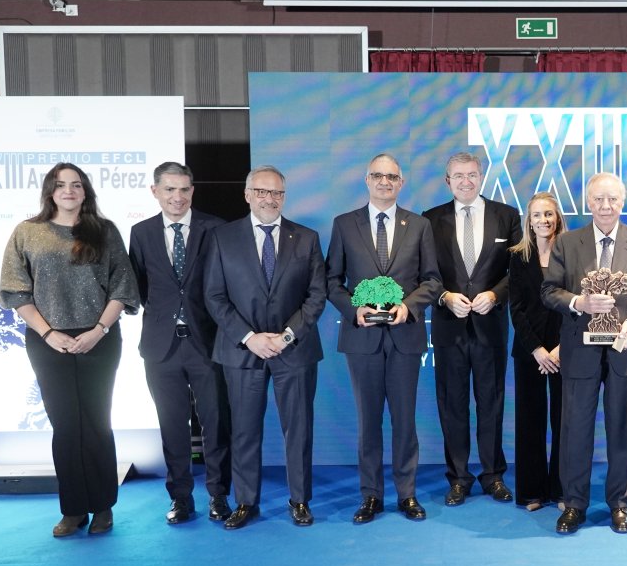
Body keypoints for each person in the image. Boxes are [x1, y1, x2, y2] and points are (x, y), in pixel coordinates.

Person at [0, 162, 139, 537]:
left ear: (85, 191)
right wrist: (48, 334)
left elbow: (123, 287)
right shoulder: (27, 232)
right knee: (66, 426)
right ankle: (73, 510)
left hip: (100, 338)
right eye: (61, 185)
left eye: (76, 185)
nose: (69, 191)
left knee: (96, 422)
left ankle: (103, 508)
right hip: (48, 341)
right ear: (49, 191)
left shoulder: (104, 231)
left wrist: (98, 330)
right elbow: (16, 292)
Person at [203, 165, 327, 530]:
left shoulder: (306, 238)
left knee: (299, 428)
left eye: (277, 193)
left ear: (284, 197)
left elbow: (316, 295)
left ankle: (300, 500)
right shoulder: (222, 238)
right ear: (247, 194)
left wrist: (287, 336)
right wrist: (249, 337)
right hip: (242, 351)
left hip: (296, 349)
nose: (270, 199)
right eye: (262, 192)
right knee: (243, 429)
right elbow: (214, 296)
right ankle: (245, 502)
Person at [541, 172, 627, 534]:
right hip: (580, 350)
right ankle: (574, 503)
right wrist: (579, 301)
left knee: (622, 429)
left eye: (612, 199)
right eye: (598, 199)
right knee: (575, 429)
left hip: (625, 350)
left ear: (622, 203)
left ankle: (620, 503)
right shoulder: (567, 243)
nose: (606, 206)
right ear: (588, 203)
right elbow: (549, 291)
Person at [327, 153, 441, 523]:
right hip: (362, 338)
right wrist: (352, 309)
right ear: (367, 180)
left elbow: (433, 280)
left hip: (405, 336)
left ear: (401, 183)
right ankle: (371, 495)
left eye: (392, 176)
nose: (385, 182)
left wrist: (410, 306)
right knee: (368, 420)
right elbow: (332, 282)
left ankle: (407, 495)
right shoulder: (344, 225)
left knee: (405, 421)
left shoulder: (419, 225)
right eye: (378, 175)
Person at [128, 161, 231, 525]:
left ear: (192, 191)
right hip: (161, 346)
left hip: (208, 342)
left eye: (184, 189)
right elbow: (140, 286)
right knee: (172, 427)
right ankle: (181, 499)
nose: (177, 196)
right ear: (155, 191)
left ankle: (219, 496)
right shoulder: (140, 233)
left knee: (216, 424)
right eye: (169, 189)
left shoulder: (215, 228)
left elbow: (224, 283)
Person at [423, 152, 523, 507]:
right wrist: (445, 296)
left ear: (482, 177)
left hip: (490, 327)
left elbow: (518, 274)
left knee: (491, 403)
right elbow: (424, 275)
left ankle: (493, 474)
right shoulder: (429, 220)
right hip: (449, 327)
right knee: (452, 405)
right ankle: (459, 478)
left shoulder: (507, 216)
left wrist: (495, 296)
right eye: (458, 175)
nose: (466, 181)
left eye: (472, 174)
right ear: (447, 180)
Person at [508, 192, 567, 511]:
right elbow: (515, 308)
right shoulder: (518, 256)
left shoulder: (571, 252)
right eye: (536, 215)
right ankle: (532, 491)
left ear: (557, 217)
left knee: (564, 421)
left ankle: (560, 490)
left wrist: (559, 349)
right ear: (528, 221)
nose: (543, 220)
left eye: (548, 214)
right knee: (530, 421)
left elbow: (576, 305)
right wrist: (538, 350)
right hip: (530, 351)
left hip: (565, 349)